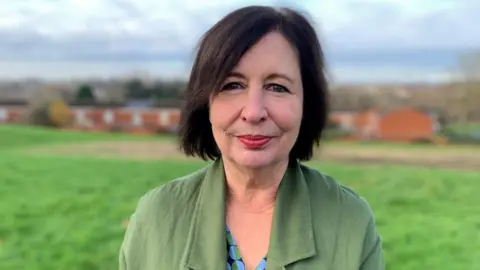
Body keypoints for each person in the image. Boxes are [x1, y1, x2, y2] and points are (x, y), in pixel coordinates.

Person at [119, 5, 384, 270]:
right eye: (232, 85)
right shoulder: (155, 217)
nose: (254, 112)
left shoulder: (351, 221)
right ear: (205, 102)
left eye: (277, 87)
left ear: (306, 103)